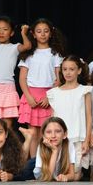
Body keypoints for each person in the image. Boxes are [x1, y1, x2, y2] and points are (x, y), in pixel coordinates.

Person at [18, 18, 66, 158]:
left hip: (49, 95)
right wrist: (28, 96)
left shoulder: (55, 54)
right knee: (32, 133)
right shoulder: (28, 54)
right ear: (33, 34)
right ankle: (34, 165)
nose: (43, 34)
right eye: (39, 31)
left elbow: (59, 79)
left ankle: (46, 164)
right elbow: (22, 79)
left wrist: (49, 96)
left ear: (51, 33)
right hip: (31, 95)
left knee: (48, 131)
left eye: (46, 31)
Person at [47, 55, 92, 180]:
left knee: (75, 173)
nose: (68, 72)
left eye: (72, 69)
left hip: (78, 138)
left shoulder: (84, 91)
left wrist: (87, 140)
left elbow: (89, 117)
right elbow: (52, 118)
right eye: (65, 69)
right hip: (58, 139)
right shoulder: (54, 92)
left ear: (79, 70)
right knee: (57, 173)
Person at [33, 117, 75, 182]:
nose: (53, 136)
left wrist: (66, 176)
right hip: (35, 170)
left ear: (65, 134)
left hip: (55, 172)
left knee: (78, 175)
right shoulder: (41, 146)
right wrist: (54, 151)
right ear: (43, 136)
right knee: (24, 173)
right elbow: (47, 178)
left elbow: (72, 175)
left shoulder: (69, 144)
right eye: (49, 132)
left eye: (57, 131)